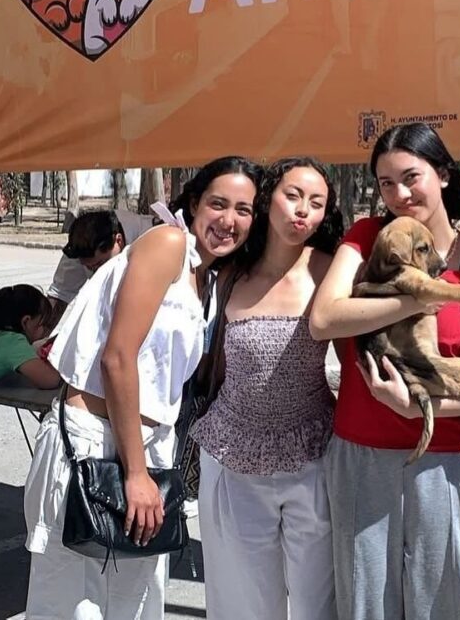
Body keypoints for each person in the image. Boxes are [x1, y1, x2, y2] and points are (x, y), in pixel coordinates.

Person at [23, 156, 261, 620]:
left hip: (149, 448)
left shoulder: (207, 278)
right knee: (72, 606)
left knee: (135, 604)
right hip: (95, 442)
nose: (229, 220)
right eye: (218, 204)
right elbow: (117, 358)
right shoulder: (167, 243)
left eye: (244, 210)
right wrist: (135, 473)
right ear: (194, 202)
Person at [310, 123, 460, 620]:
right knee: (365, 605)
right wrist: (420, 297)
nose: (399, 195)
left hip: (447, 462)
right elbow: (324, 319)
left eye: (410, 177)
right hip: (360, 454)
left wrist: (414, 408)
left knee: (446, 607)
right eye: (386, 183)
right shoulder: (368, 239)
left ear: (442, 174)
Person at [191, 157, 343, 620]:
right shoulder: (228, 273)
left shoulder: (333, 271)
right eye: (292, 195)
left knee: (318, 603)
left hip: (312, 455)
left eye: (316, 202)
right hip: (233, 455)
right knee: (244, 603)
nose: (303, 210)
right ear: (267, 198)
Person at [48, 208, 156, 310]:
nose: (96, 273)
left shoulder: (151, 239)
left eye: (99, 264)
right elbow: (60, 295)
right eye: (89, 268)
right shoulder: (80, 244)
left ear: (118, 241)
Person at [0, 285, 60, 389]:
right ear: (26, 321)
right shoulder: (11, 341)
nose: (44, 330)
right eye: (43, 324)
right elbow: (50, 380)